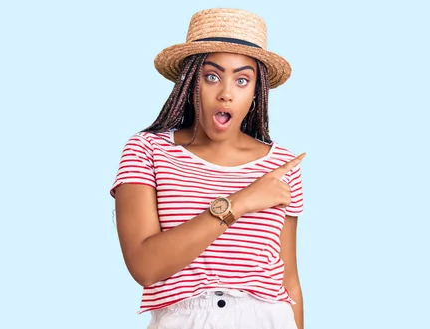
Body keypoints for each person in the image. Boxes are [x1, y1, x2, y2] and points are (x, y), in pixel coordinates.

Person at [110, 8, 306, 329]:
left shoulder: (280, 165)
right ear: (190, 82)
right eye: (212, 76)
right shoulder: (147, 150)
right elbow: (145, 266)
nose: (226, 93)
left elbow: (289, 281)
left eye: (242, 80)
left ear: (255, 93)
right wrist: (240, 203)